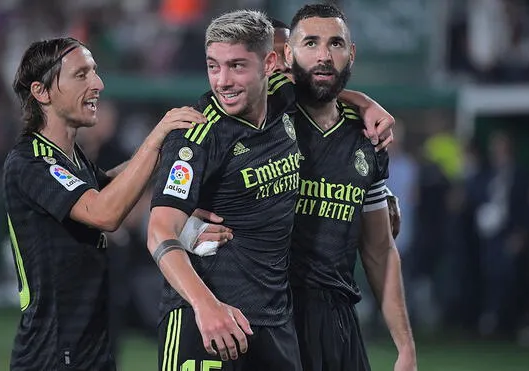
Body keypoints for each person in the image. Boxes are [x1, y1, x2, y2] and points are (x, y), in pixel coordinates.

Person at [147, 9, 398, 371]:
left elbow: (322, 88)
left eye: (237, 66)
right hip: (206, 323)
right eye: (213, 66)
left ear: (269, 65)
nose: (223, 81)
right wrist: (206, 305)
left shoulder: (281, 101)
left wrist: (365, 103)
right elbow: (158, 231)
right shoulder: (199, 131)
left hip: (274, 327)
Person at [2, 37, 204, 370]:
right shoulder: (30, 161)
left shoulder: (73, 160)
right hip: (53, 355)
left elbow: (111, 186)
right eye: (81, 75)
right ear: (42, 92)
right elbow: (105, 211)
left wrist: (172, 145)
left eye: (94, 73)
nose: (98, 84)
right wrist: (158, 136)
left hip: (91, 350)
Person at [283, 4, 416, 370]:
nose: (324, 55)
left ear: (351, 53)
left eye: (336, 43)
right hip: (273, 314)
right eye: (311, 43)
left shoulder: (367, 140)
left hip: (340, 320)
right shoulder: (266, 120)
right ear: (287, 54)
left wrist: (405, 347)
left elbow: (380, 251)